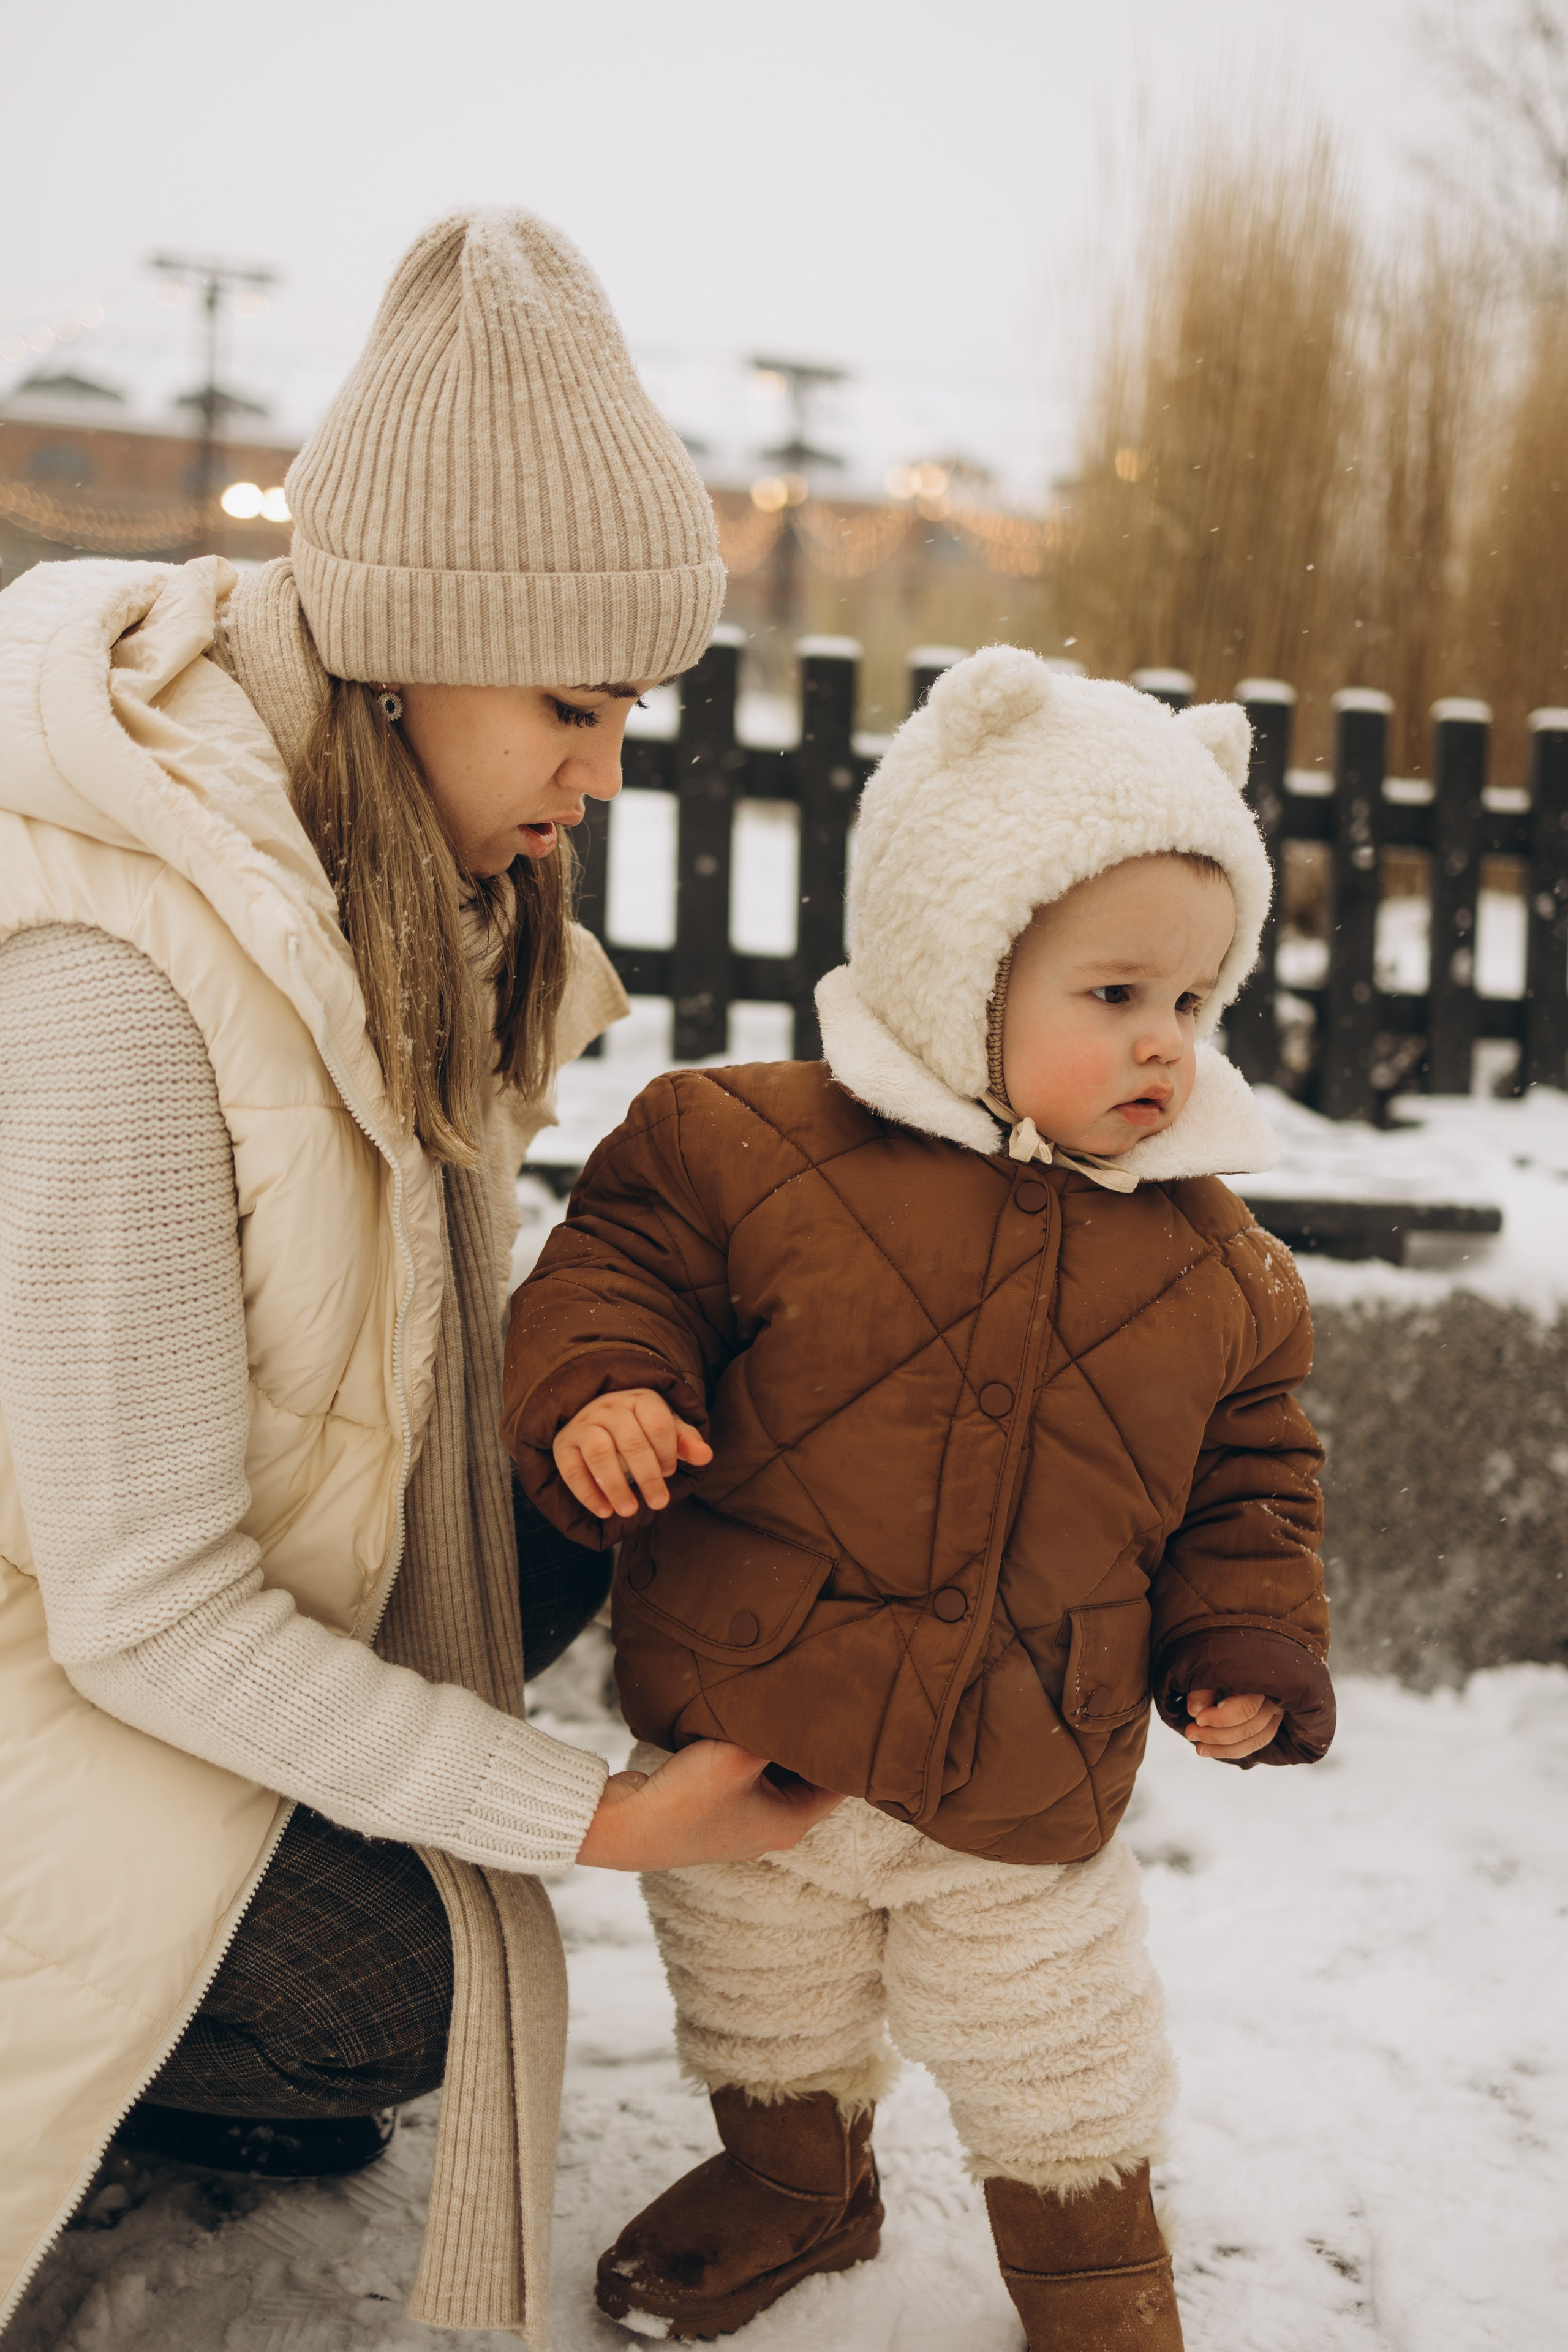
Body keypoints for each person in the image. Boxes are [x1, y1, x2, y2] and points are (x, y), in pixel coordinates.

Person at [0, 208, 839, 2346]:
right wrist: (598, 1817)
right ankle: (161, 2047)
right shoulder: (116, 980)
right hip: (61, 1651)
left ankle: (236, 1993)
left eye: (630, 709)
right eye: (572, 706)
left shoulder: (394, 899)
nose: (604, 772)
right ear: (398, 650)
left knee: (654, 1435)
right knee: (393, 1991)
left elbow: (397, 1366)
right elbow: (145, 1603)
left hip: (181, 1592)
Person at [503, 646, 1338, 2350]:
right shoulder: (734, 1148)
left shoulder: (1221, 1270)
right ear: (962, 960)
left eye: (1193, 1005)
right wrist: (605, 1395)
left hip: (1026, 1749)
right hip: (755, 1717)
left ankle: (1094, 2273)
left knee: (1056, 2039)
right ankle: (797, 2179)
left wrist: (1244, 1637)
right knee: (758, 1987)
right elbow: (611, 1280)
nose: (1164, 1047)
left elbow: (1252, 1481)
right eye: (1113, 997)